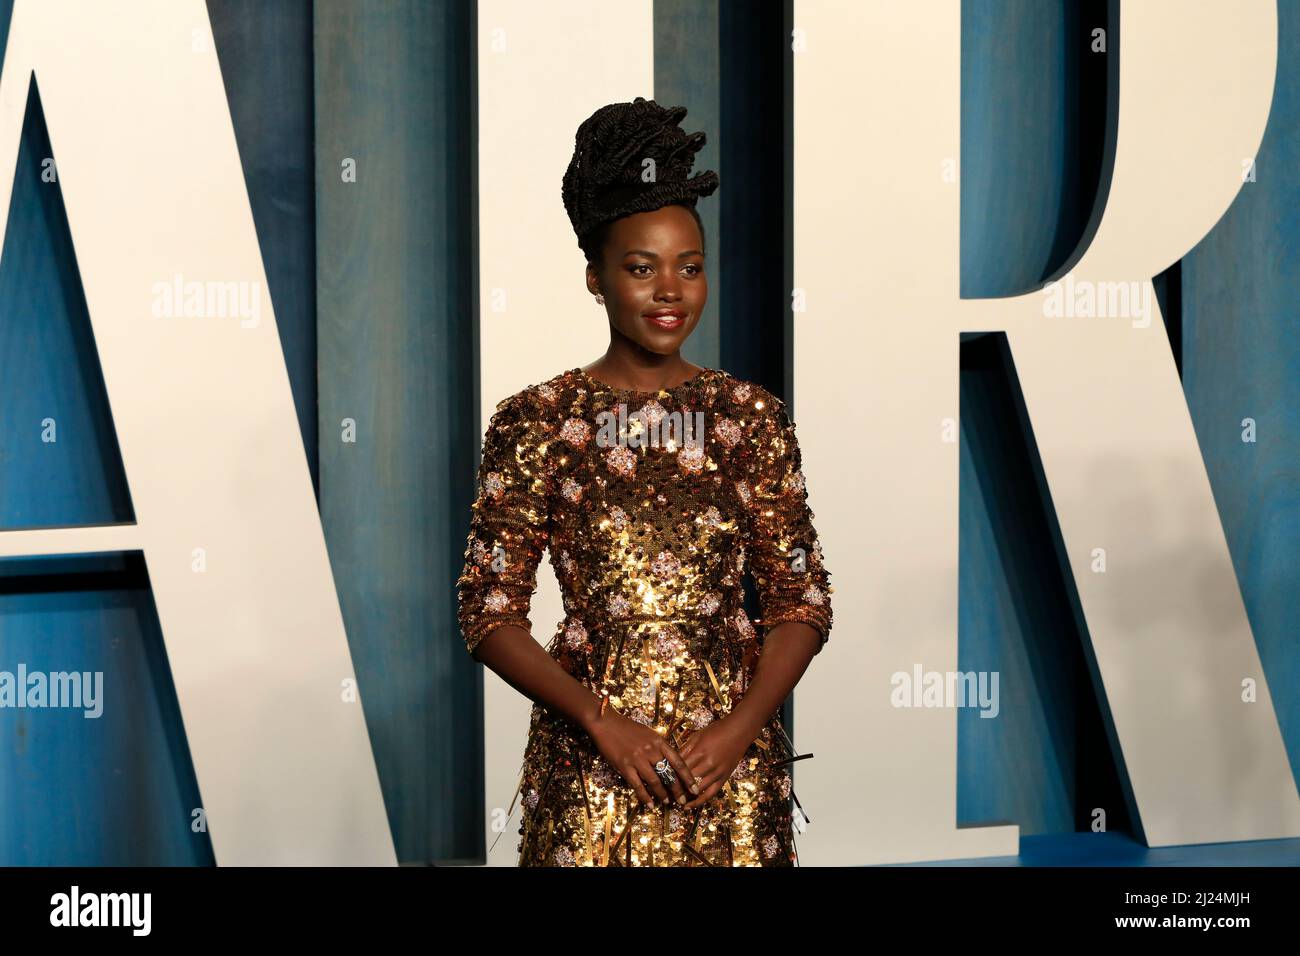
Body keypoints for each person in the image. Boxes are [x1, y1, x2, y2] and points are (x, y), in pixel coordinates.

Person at [457, 97, 832, 866]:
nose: (670, 289)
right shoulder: (539, 421)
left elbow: (802, 600)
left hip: (728, 773)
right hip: (590, 773)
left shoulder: (749, 417)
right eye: (641, 267)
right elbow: (488, 612)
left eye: (689, 267)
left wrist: (739, 731)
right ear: (595, 278)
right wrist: (601, 721)